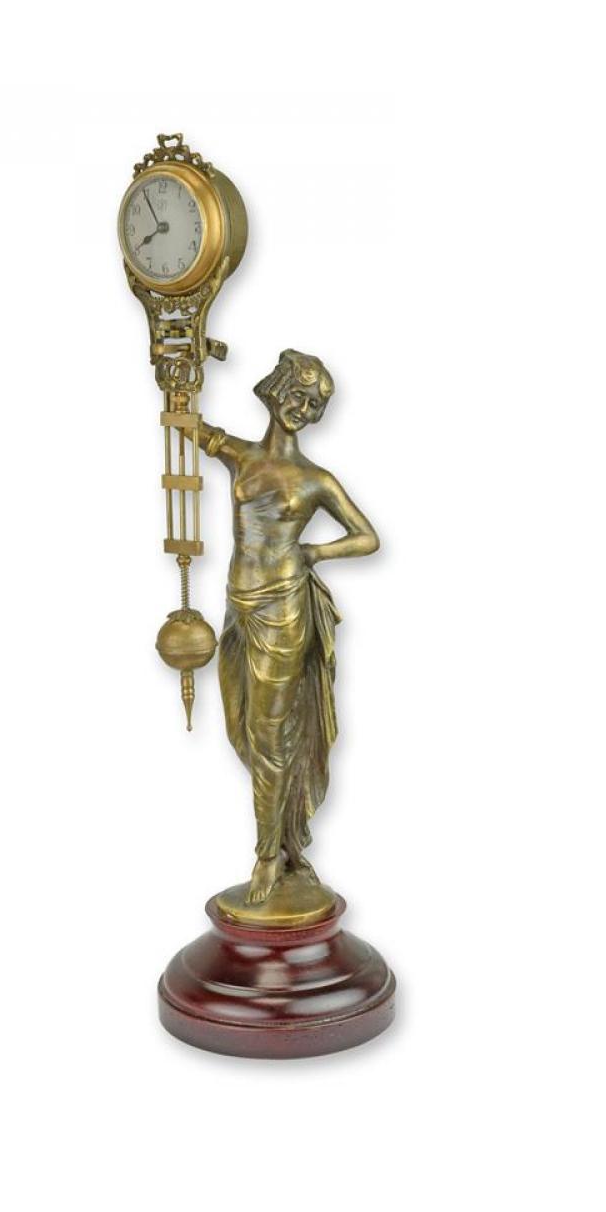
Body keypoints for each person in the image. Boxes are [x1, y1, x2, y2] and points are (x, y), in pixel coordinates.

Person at [196, 349, 379, 905]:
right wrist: (179, 376)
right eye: (298, 395)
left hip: (283, 612)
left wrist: (315, 552)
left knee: (270, 736)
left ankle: (268, 857)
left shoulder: (315, 480)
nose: (302, 408)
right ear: (275, 390)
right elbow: (185, 426)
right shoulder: (241, 457)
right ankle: (287, 838)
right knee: (242, 728)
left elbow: (367, 537)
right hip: (238, 607)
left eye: (314, 404)